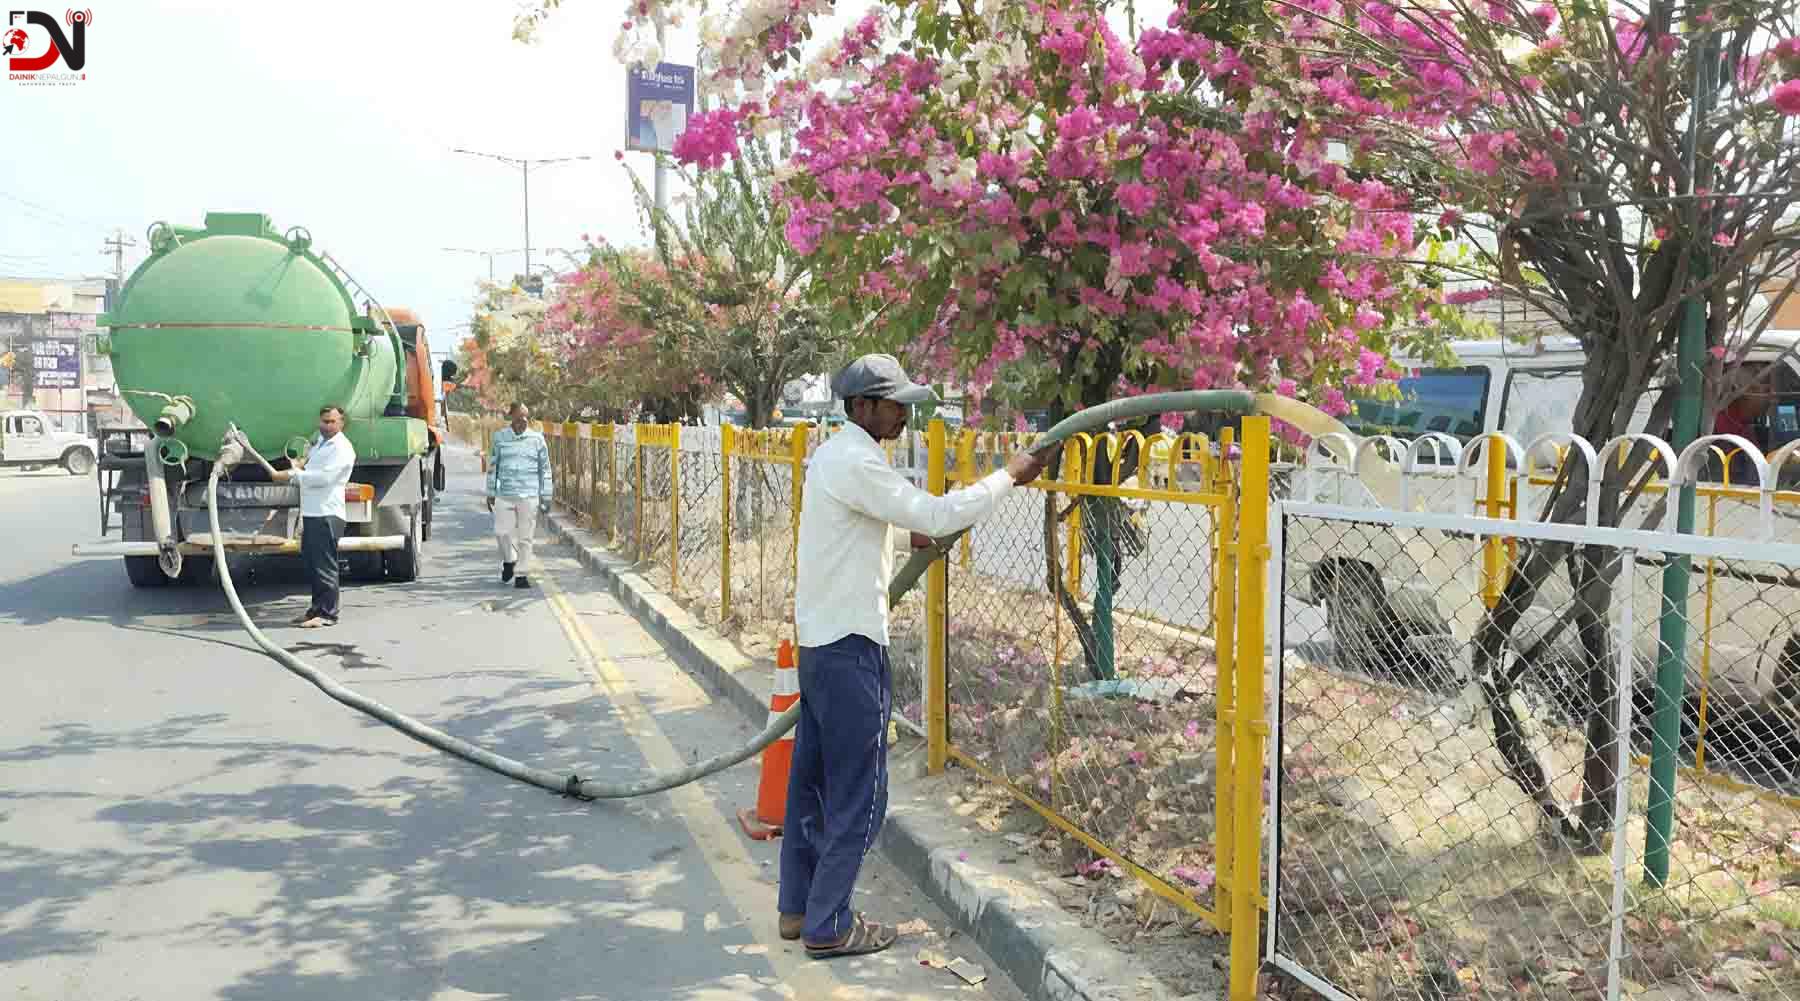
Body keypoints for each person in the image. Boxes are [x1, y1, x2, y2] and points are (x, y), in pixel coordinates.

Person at [778, 354, 1046, 960]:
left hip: (822, 643)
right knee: (861, 794)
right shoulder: (858, 461)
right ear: (864, 407)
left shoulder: (838, 457)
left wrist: (904, 537)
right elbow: (937, 512)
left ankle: (799, 908)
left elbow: (858, 525)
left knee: (813, 787)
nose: (904, 412)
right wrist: (1008, 477)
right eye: (894, 402)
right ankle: (829, 924)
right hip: (849, 647)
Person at [272, 405, 357, 629]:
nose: (327, 426)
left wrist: (293, 475)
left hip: (327, 513)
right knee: (312, 563)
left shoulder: (342, 449)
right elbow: (308, 464)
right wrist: (298, 466)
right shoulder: (321, 443)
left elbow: (324, 479)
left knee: (325, 565)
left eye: (332, 422)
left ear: (341, 423)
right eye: (324, 421)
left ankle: (328, 614)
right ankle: (316, 609)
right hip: (313, 512)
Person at [486, 402, 552, 589]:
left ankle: (522, 575)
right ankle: (509, 560)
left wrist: (546, 495)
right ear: (512, 417)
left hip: (529, 496)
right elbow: (492, 467)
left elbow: (545, 470)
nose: (523, 421)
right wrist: (490, 491)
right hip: (505, 494)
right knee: (501, 532)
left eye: (526, 418)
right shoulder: (500, 438)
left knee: (525, 537)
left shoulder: (537, 440)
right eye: (519, 417)